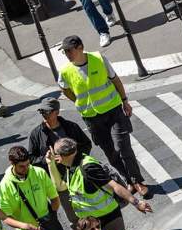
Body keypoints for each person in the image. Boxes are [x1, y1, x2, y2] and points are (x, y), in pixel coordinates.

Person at [58, 35, 148, 197]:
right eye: (65, 52)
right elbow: (64, 89)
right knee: (110, 152)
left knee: (123, 147)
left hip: (113, 110)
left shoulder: (98, 58)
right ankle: (128, 180)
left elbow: (115, 80)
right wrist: (78, 101)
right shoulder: (65, 71)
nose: (67, 54)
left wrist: (125, 101)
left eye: (69, 50)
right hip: (92, 117)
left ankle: (138, 181)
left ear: (80, 48)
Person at [28, 97, 92, 167]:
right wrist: (46, 159)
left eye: (47, 112)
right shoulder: (36, 133)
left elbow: (86, 145)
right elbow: (31, 158)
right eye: (41, 111)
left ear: (57, 112)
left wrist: (72, 157)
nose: (44, 114)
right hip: (52, 171)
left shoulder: (72, 127)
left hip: (73, 168)